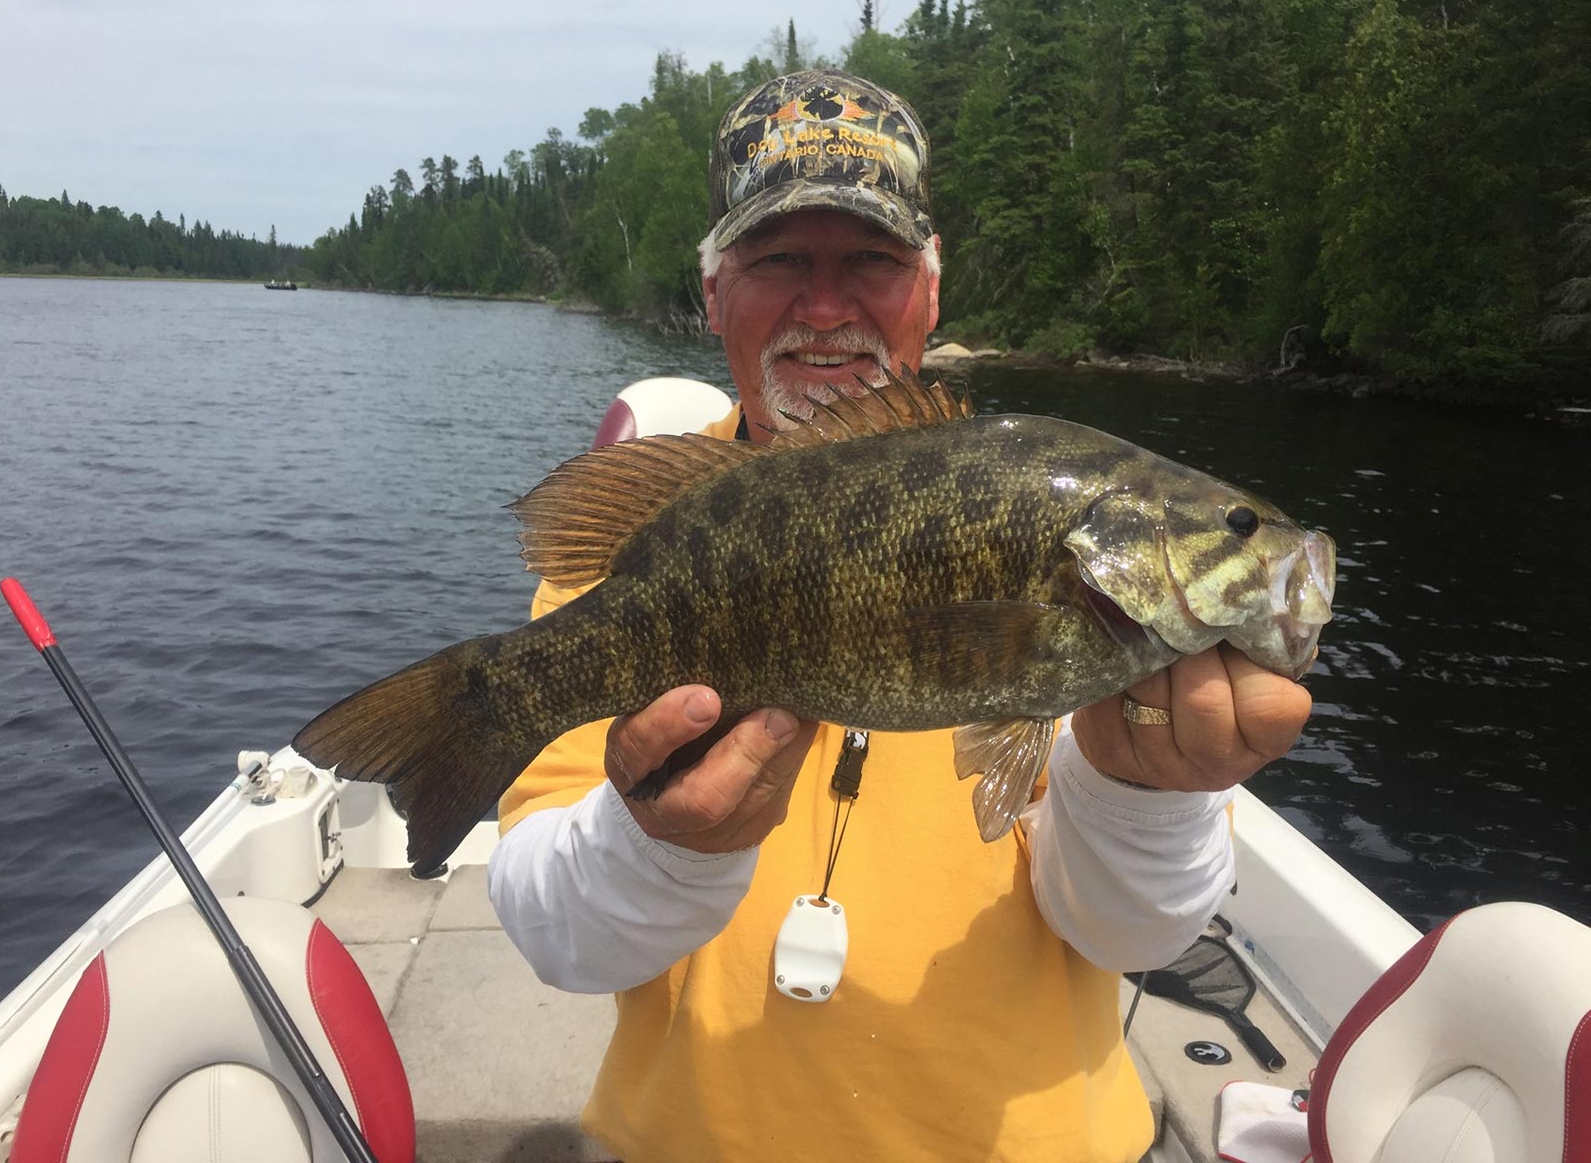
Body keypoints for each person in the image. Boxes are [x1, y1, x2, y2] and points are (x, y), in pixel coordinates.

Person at [488, 69, 1313, 1163]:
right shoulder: (650, 552)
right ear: (712, 295)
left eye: (869, 263)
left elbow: (1134, 935)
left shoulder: (1090, 594)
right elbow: (559, 940)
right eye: (779, 260)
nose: (824, 309)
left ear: (929, 289)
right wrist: (662, 849)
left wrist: (1141, 794)